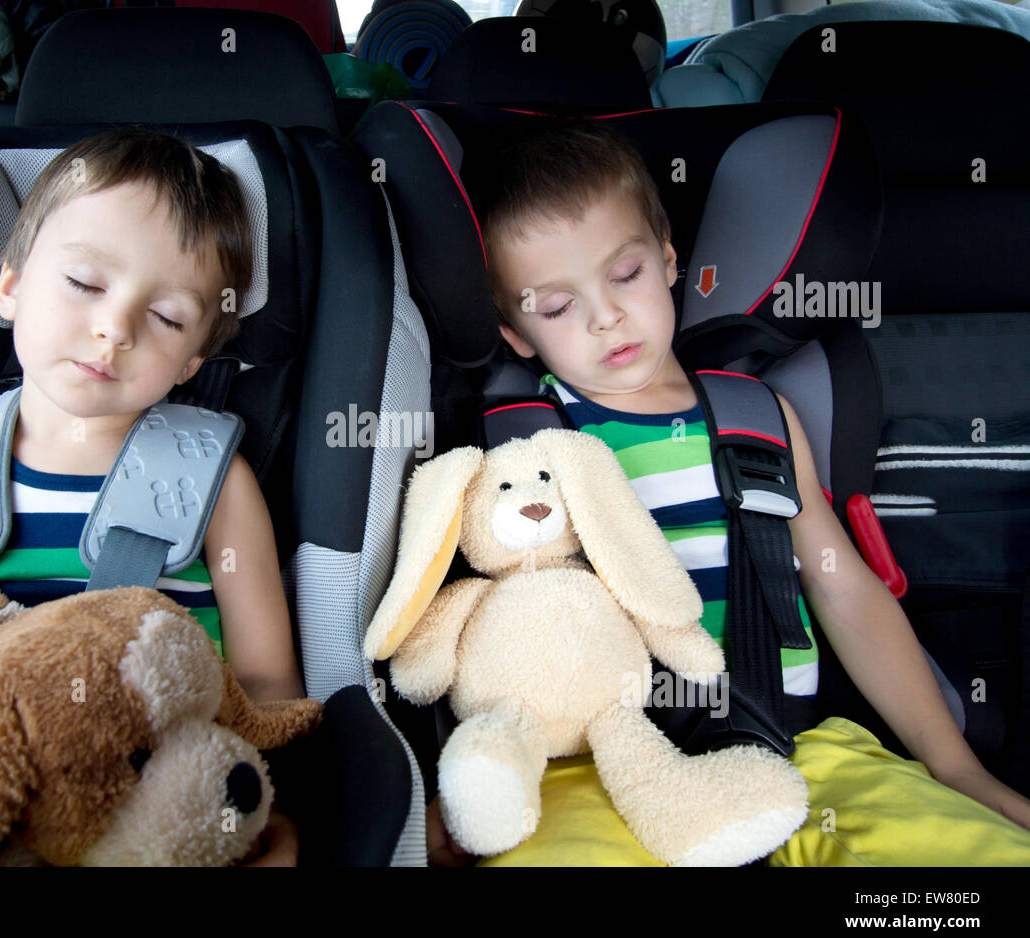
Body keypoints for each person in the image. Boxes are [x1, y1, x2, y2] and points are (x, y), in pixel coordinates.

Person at [426, 119, 1030, 866]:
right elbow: (493, 626)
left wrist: (953, 762)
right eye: (554, 307)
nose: (605, 315)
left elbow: (845, 592)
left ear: (670, 257)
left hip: (800, 751)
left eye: (626, 275)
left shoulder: (757, 416)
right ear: (515, 333)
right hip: (599, 772)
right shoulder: (525, 446)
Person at [0, 128, 303, 865]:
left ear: (193, 358)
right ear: (9, 285)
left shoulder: (217, 487)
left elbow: (266, 683)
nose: (115, 329)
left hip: (157, 806)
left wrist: (257, 812)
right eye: (84, 284)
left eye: (166, 317)